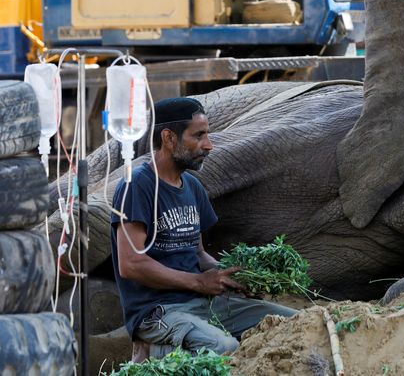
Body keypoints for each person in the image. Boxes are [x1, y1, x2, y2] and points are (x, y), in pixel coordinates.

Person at [110, 97, 296, 358]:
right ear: (168, 138)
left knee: (294, 322)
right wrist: (199, 282)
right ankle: (157, 356)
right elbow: (130, 264)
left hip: (200, 302)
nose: (209, 145)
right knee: (222, 347)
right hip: (157, 311)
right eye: (198, 136)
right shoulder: (136, 186)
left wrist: (231, 276)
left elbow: (197, 254)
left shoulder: (193, 187)